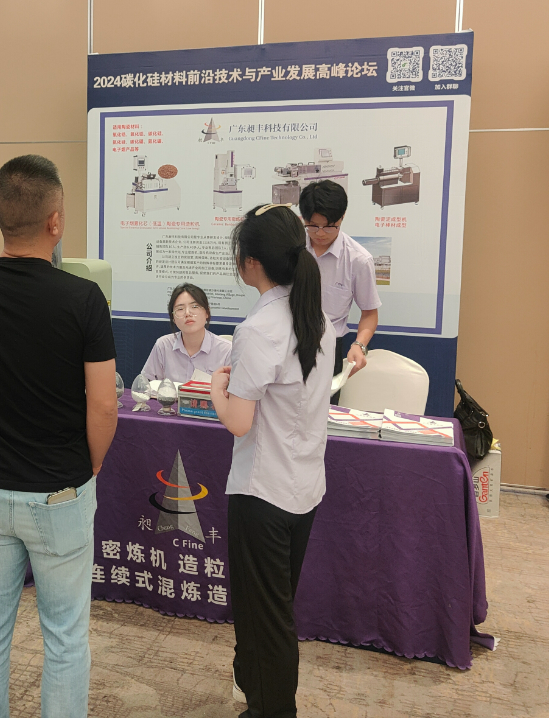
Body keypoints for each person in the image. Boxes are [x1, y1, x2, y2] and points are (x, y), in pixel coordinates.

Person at [0, 154, 117, 718]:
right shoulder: (83, 299)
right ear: (56, 222)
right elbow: (104, 404)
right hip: (61, 492)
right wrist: (93, 465)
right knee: (65, 635)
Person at [209, 203, 334, 718]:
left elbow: (239, 421)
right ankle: (258, 698)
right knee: (273, 610)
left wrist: (217, 389)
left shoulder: (259, 328)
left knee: (266, 619)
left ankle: (273, 710)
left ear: (251, 263)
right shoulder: (317, 319)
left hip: (262, 493)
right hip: (303, 488)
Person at [297, 180, 379, 378]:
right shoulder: (292, 248)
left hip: (329, 347)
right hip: (287, 341)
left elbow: (370, 313)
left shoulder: (358, 259)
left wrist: (359, 345)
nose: (320, 233)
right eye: (313, 226)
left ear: (342, 217)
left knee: (327, 397)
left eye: (329, 227)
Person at [140, 283, 232, 383]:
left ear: (207, 312)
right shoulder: (163, 346)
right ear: (173, 318)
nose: (187, 313)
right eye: (180, 309)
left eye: (195, 306)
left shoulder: (227, 351)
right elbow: (146, 384)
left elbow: (234, 390)